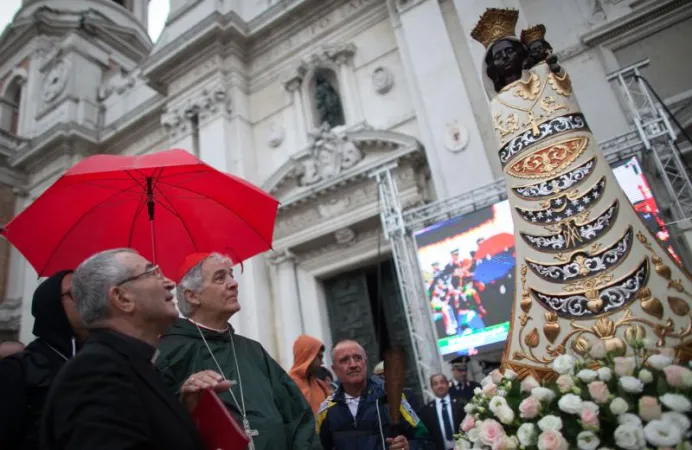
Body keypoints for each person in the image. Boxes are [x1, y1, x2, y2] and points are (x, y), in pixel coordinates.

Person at [41, 248, 228, 450]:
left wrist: (188, 412)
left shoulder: (136, 364)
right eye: (151, 273)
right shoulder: (96, 372)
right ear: (122, 298)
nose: (170, 283)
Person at [156, 252, 317, 450]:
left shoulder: (253, 350)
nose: (233, 283)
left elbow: (297, 418)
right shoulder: (168, 351)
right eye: (220, 278)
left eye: (231, 275)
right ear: (192, 296)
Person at [0, 270, 86, 450]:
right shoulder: (17, 369)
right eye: (76, 293)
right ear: (52, 305)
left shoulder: (103, 361)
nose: (87, 300)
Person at [317, 340, 428, 450]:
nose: (353, 365)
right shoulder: (326, 410)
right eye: (344, 360)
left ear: (365, 362)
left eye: (358, 358)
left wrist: (409, 446)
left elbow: (426, 439)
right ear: (334, 369)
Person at [419, 374, 465, 450]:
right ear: (432, 388)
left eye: (442, 382)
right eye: (435, 384)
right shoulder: (426, 411)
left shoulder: (460, 403)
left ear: (447, 384)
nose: (439, 386)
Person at [289, 334, 330, 415]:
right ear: (307, 355)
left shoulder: (321, 386)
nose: (322, 363)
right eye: (319, 357)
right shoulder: (285, 386)